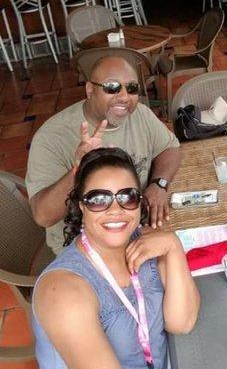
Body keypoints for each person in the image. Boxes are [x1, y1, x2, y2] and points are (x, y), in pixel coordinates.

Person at [32, 147, 200, 368]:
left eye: (127, 196)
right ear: (82, 206)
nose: (115, 209)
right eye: (98, 199)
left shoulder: (149, 243)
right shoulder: (63, 292)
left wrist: (173, 245)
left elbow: (182, 323)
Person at [26, 56, 181, 254]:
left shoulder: (140, 114)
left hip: (135, 227)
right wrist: (78, 169)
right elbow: (43, 215)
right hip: (83, 247)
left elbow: (170, 148)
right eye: (112, 87)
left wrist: (158, 184)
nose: (124, 96)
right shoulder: (51, 137)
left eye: (132, 88)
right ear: (90, 90)